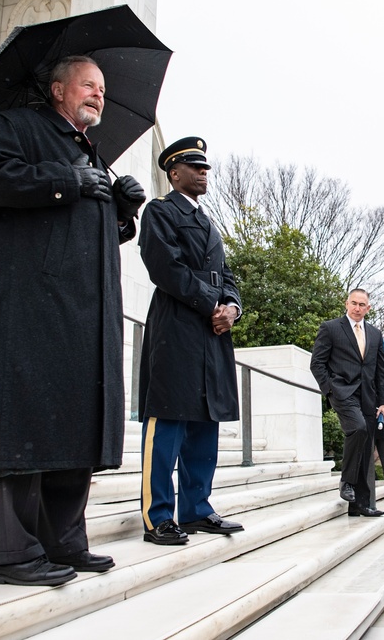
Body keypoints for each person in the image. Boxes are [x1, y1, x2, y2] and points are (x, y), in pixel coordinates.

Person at [0, 55, 144, 586]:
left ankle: (64, 543)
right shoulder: (16, 127)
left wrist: (121, 210)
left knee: (75, 422)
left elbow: (91, 233)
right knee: (27, 419)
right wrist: (66, 180)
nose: (98, 94)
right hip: (32, 306)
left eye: (102, 88)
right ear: (57, 89)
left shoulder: (91, 152)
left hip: (85, 313)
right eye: (89, 85)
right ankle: (13, 554)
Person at [137, 136, 245, 545]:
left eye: (206, 167)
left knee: (205, 423)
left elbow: (227, 276)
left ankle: (197, 509)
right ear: (173, 172)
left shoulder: (208, 221)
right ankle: (158, 516)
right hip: (177, 329)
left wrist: (231, 307)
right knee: (167, 423)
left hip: (212, 334)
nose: (204, 172)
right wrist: (209, 305)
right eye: (194, 166)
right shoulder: (160, 212)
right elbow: (165, 267)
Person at [311, 288, 384, 517]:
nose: (357, 308)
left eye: (362, 305)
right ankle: (345, 481)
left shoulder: (375, 334)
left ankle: (359, 504)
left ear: (369, 308)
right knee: (358, 428)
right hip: (342, 392)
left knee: (366, 449)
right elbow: (317, 363)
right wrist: (330, 390)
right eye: (353, 303)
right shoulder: (331, 328)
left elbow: (380, 371)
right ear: (346, 303)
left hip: (369, 396)